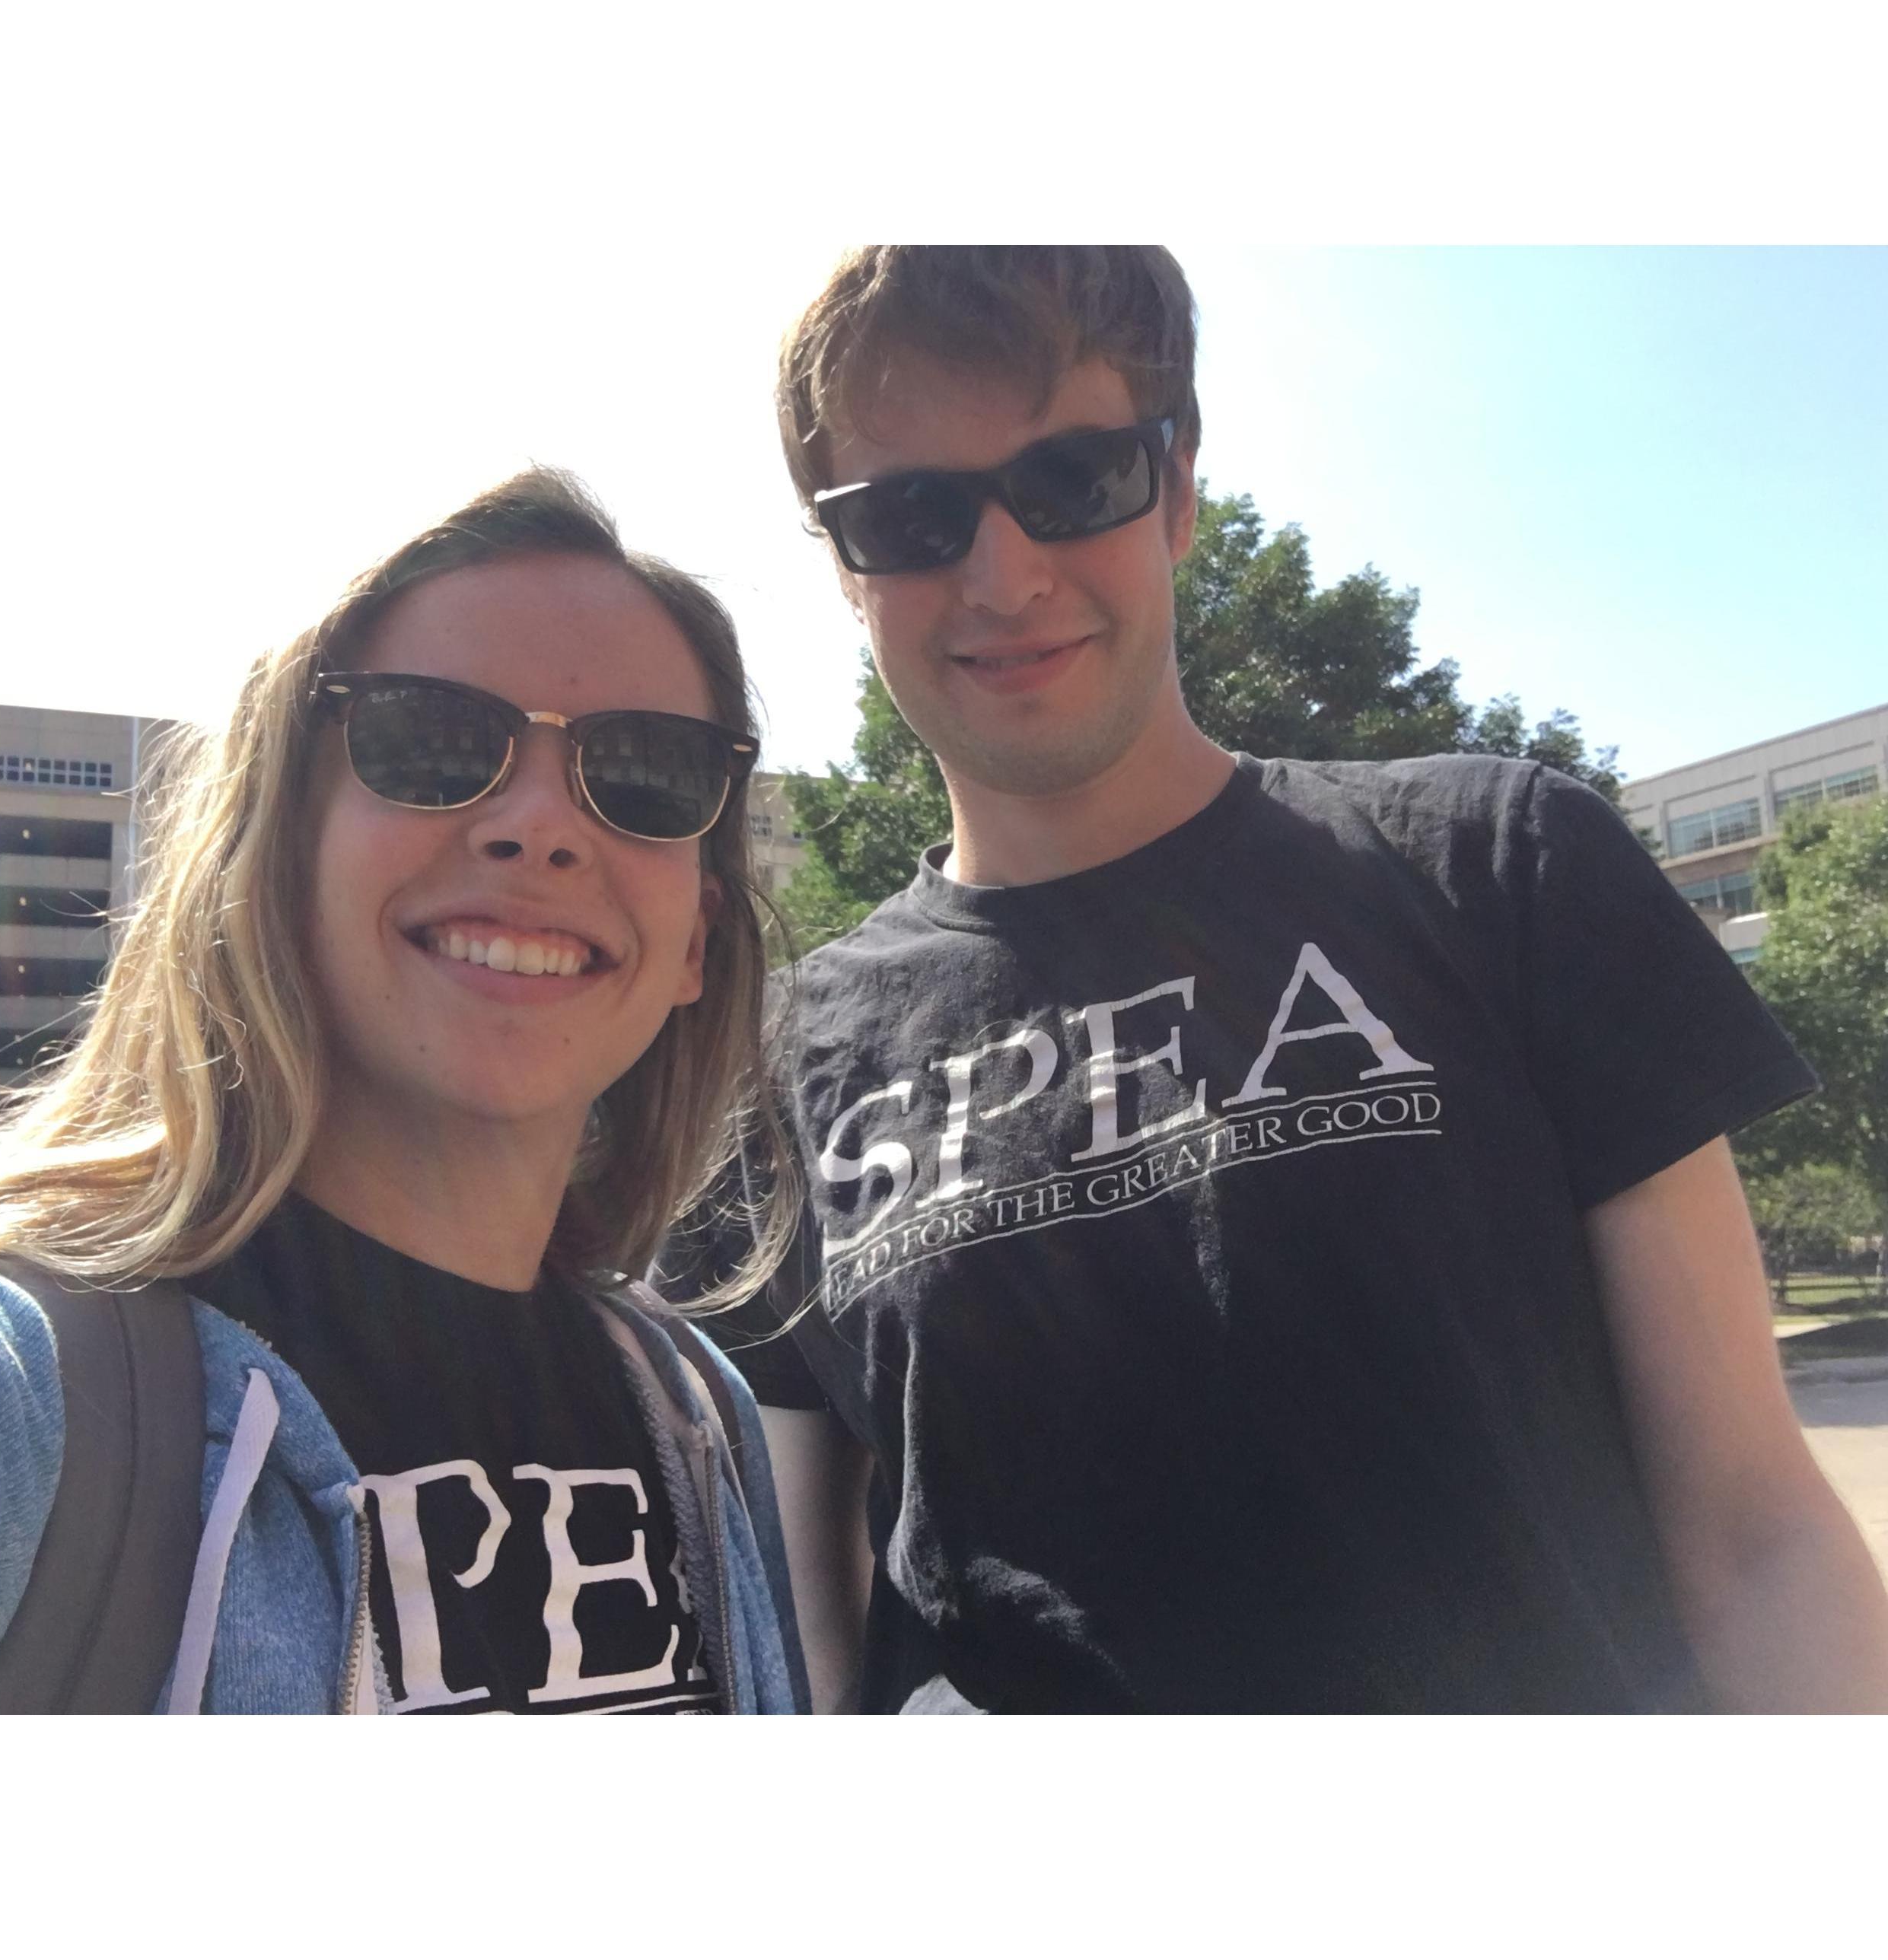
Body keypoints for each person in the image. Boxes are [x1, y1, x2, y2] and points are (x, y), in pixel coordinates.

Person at [663, 246, 1888, 1713]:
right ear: (848, 574)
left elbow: (1755, 1530)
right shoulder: (778, 1064)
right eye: (911, 516)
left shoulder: (1498, 862)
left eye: (1075, 478)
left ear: (1176, 486)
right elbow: (803, 1636)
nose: (1002, 572)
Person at [0, 467, 806, 1714]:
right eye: (433, 739)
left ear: (697, 945)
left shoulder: (698, 1407)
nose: (542, 826)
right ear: (275, 849)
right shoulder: (8, 1397)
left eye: (647, 773)